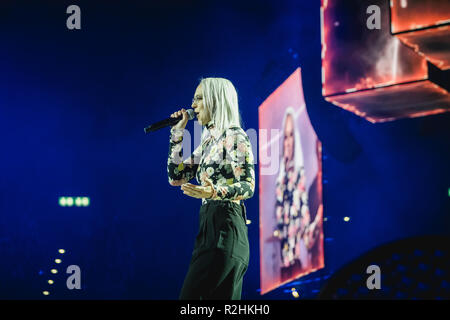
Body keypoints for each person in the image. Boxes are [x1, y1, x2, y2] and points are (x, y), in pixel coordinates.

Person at [167, 77, 255, 300]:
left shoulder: (234, 135)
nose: (193, 105)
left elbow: (248, 185)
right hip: (208, 226)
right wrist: (177, 133)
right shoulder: (207, 143)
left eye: (198, 99)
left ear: (215, 100)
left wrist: (214, 191)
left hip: (226, 225)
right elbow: (176, 176)